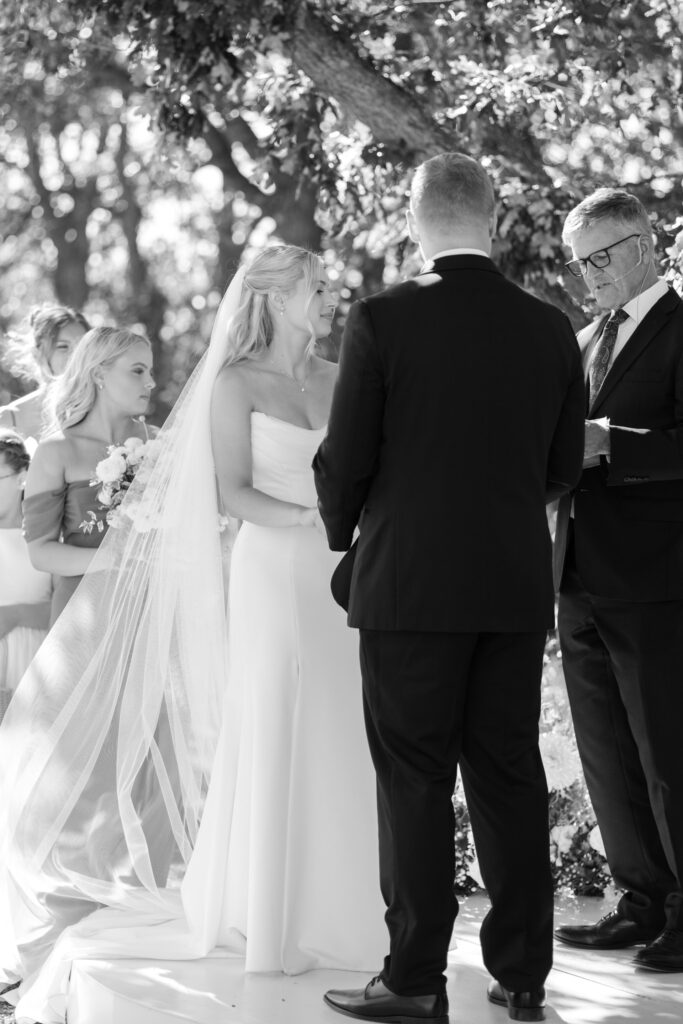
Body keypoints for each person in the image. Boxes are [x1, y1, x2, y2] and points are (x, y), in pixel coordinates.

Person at [0, 246, 385, 1024]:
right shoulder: (66, 446)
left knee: (191, 755)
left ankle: (314, 896)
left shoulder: (175, 436)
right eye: (136, 370)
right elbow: (43, 547)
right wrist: (125, 550)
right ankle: (73, 909)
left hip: (265, 591)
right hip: (126, 611)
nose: (150, 383)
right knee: (89, 768)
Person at [313, 153, 585, 1024]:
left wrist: (342, 537)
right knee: (508, 775)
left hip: (409, 586)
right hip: (509, 585)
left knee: (415, 779)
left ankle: (414, 978)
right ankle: (521, 975)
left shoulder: (383, 318)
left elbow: (344, 459)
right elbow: (559, 466)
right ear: (493, 215)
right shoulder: (548, 328)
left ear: (414, 215)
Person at [553, 188, 683, 973]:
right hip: (575, 574)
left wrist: (611, 442)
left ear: (641, 246)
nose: (585, 277)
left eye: (596, 258)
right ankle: (639, 901)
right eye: (577, 264)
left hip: (657, 579)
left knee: (668, 755)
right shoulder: (579, 341)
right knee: (606, 752)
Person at [22, 326, 154, 624]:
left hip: (149, 610)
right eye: (138, 371)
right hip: (82, 616)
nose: (151, 382)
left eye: (149, 372)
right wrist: (114, 559)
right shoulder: (56, 452)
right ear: (99, 374)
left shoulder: (161, 445)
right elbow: (40, 553)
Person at [0, 431, 52, 723]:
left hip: (36, 666)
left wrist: (17, 614)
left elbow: (70, 606)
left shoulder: (44, 539)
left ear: (22, 477)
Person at [0, 305, 90, 447]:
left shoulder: (107, 412)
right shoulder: (9, 419)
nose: (75, 355)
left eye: (82, 347)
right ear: (37, 354)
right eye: (63, 347)